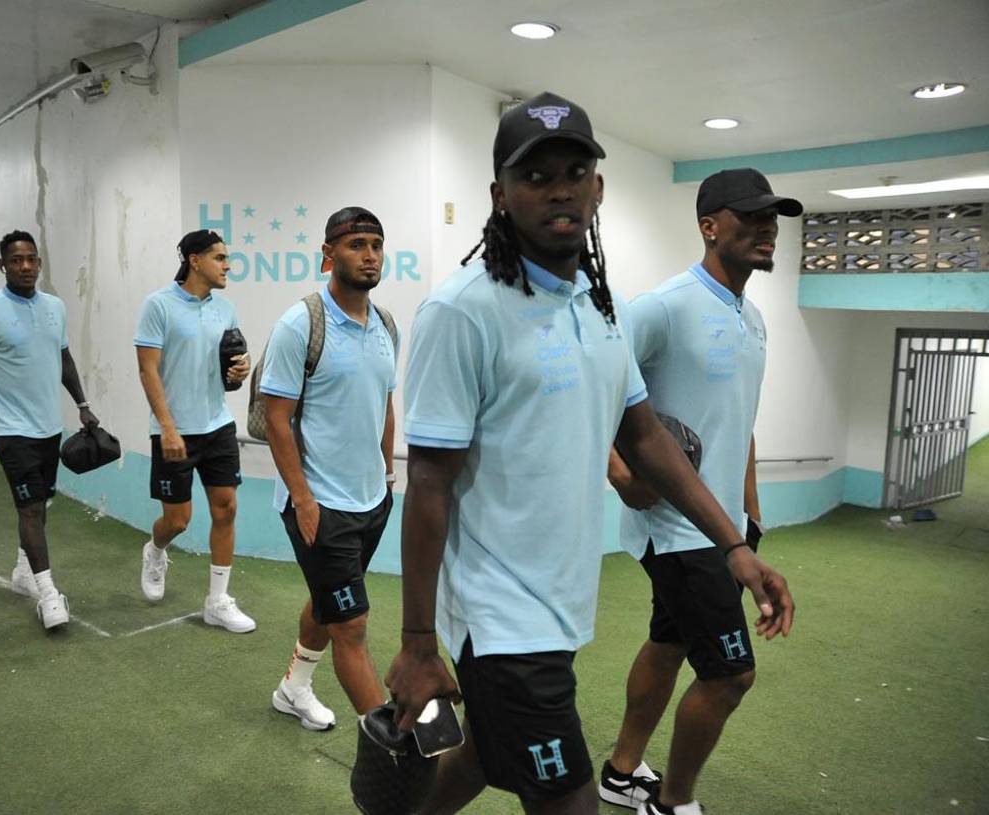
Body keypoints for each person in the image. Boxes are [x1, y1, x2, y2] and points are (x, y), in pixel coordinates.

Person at [384, 93, 795, 815]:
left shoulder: (597, 306)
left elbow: (645, 438)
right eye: (535, 176)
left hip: (562, 602)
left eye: (576, 170)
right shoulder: (463, 311)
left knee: (484, 750)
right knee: (569, 797)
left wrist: (734, 543)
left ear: (598, 188)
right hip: (502, 616)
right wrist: (419, 641)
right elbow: (428, 482)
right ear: (499, 195)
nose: (560, 188)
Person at [598, 168, 801, 815]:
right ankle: (672, 801)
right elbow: (598, 388)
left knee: (670, 641)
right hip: (678, 528)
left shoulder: (755, 319)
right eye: (750, 217)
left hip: (725, 524)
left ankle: (622, 772)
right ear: (709, 226)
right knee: (731, 673)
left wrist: (751, 509)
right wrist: (621, 474)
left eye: (772, 220)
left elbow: (738, 422)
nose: (766, 229)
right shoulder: (662, 306)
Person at [261, 207, 398, 732]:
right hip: (321, 506)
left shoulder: (387, 324)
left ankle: (292, 689)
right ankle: (394, 749)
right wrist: (304, 500)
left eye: (376, 245)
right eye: (357, 244)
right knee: (352, 625)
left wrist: (386, 477)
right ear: (328, 255)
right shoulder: (301, 324)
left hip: (371, 500)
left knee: (327, 603)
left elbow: (384, 402)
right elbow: (276, 420)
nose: (369, 255)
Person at [0, 230, 98, 631]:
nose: (25, 267)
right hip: (10, 429)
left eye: (31, 259)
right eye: (16, 260)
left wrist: (83, 405)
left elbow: (64, 357)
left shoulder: (55, 307)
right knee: (30, 508)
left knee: (41, 503)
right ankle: (49, 594)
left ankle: (23, 570)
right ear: (2, 265)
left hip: (48, 427)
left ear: (39, 263)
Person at [134, 229, 255, 632]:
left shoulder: (226, 310)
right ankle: (155, 550)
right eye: (220, 258)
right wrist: (167, 429)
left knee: (227, 508)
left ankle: (218, 601)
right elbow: (148, 370)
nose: (227, 266)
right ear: (194, 260)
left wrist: (241, 368)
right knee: (178, 520)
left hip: (218, 424)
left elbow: (231, 365)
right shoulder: (158, 306)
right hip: (175, 431)